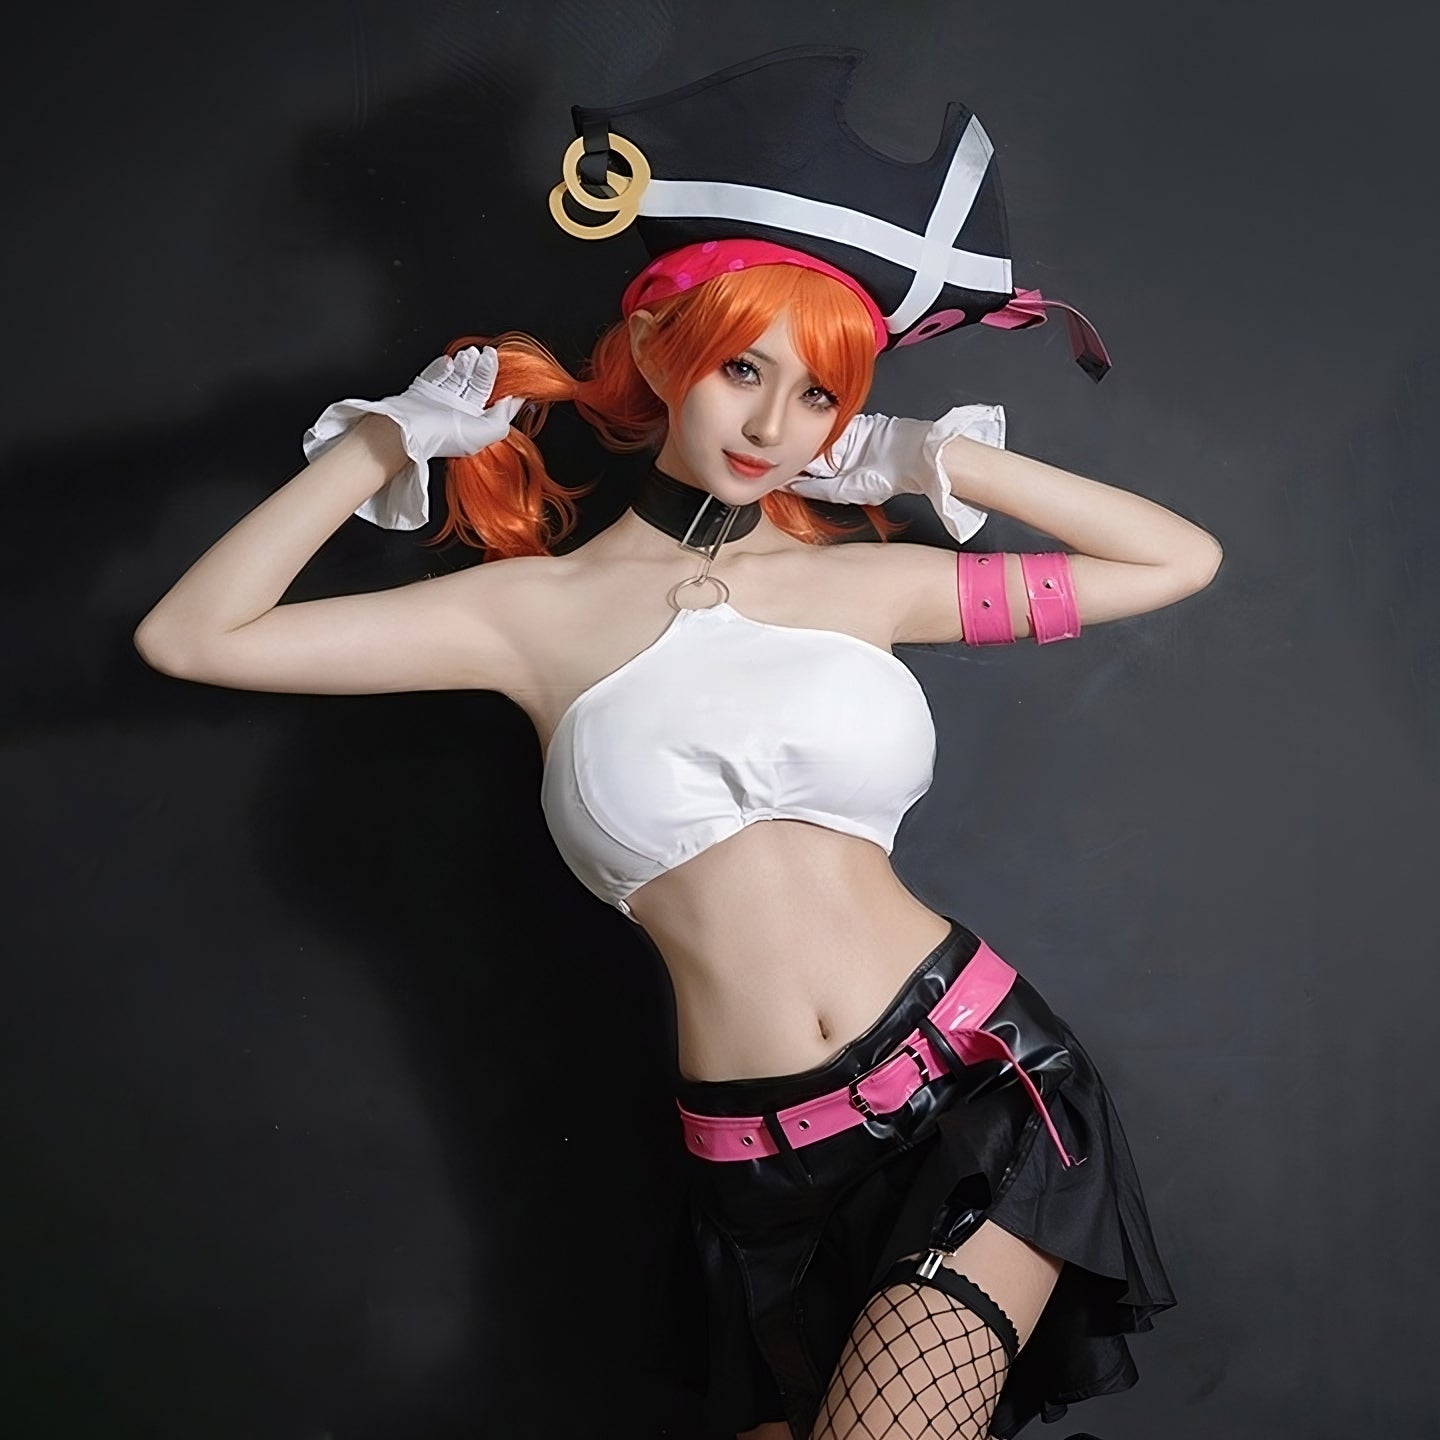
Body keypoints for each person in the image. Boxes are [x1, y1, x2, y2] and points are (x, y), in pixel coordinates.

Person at [134, 47, 1218, 1440]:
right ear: (658, 349)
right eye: (742, 370)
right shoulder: (523, 617)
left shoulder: (871, 585)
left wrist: (923, 458)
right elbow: (193, 637)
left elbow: (1176, 560)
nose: (772, 425)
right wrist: (382, 445)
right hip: (753, 1172)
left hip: (976, 1088)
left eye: (817, 395)